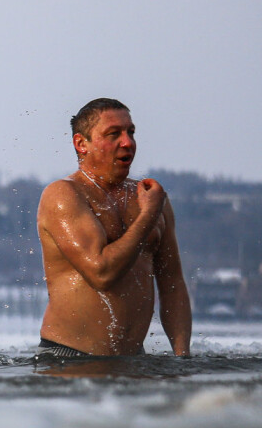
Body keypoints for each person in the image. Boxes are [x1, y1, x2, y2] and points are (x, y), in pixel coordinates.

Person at [35, 98, 191, 359]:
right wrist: (149, 215)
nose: (127, 142)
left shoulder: (150, 197)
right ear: (81, 144)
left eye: (130, 132)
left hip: (132, 361)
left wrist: (182, 358)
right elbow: (101, 273)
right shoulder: (63, 195)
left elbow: (172, 284)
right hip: (70, 359)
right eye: (113, 134)